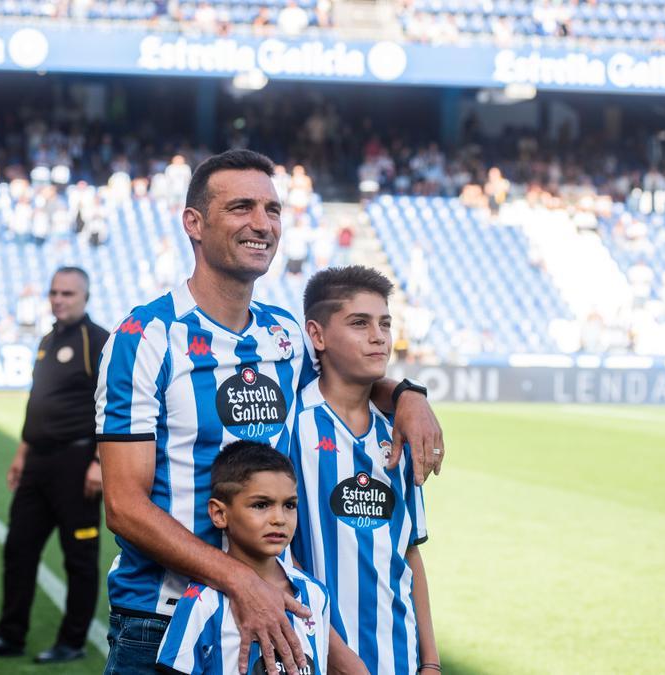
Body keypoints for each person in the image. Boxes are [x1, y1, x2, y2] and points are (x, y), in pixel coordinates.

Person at [95, 149, 444, 675]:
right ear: (194, 223)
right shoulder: (145, 338)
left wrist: (408, 396)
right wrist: (240, 581)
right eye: (240, 208)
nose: (262, 224)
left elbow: (347, 380)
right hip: (162, 617)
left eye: (272, 210)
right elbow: (124, 506)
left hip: (271, 613)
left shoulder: (282, 335)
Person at [289, 266, 438, 674]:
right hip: (316, 658)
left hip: (400, 658)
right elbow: (279, 558)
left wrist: (431, 662)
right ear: (317, 336)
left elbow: (410, 551)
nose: (378, 336)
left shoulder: (400, 433)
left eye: (385, 324)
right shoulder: (289, 426)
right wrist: (337, 656)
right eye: (360, 323)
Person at [0, 267, 110, 664]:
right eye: (53, 292)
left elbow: (111, 406)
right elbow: (37, 402)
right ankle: (10, 635)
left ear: (85, 296)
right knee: (19, 549)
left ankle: (73, 640)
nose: (59, 299)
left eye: (67, 293)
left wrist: (99, 461)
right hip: (38, 464)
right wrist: (22, 453)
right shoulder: (48, 340)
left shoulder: (96, 340)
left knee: (79, 555)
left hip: (77, 463)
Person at [156, 441, 331, 674]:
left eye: (289, 505)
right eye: (261, 505)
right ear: (219, 514)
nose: (279, 518)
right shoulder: (202, 602)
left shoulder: (316, 594)